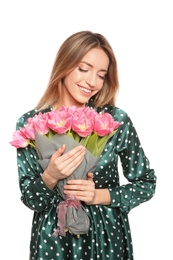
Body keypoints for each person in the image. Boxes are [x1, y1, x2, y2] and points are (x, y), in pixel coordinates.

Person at [14, 31, 156, 260]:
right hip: (54, 240)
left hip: (106, 238)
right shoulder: (32, 124)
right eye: (84, 69)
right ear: (65, 65)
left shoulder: (114, 120)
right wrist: (50, 175)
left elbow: (146, 183)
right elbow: (32, 200)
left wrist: (99, 196)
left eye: (101, 75)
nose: (92, 82)